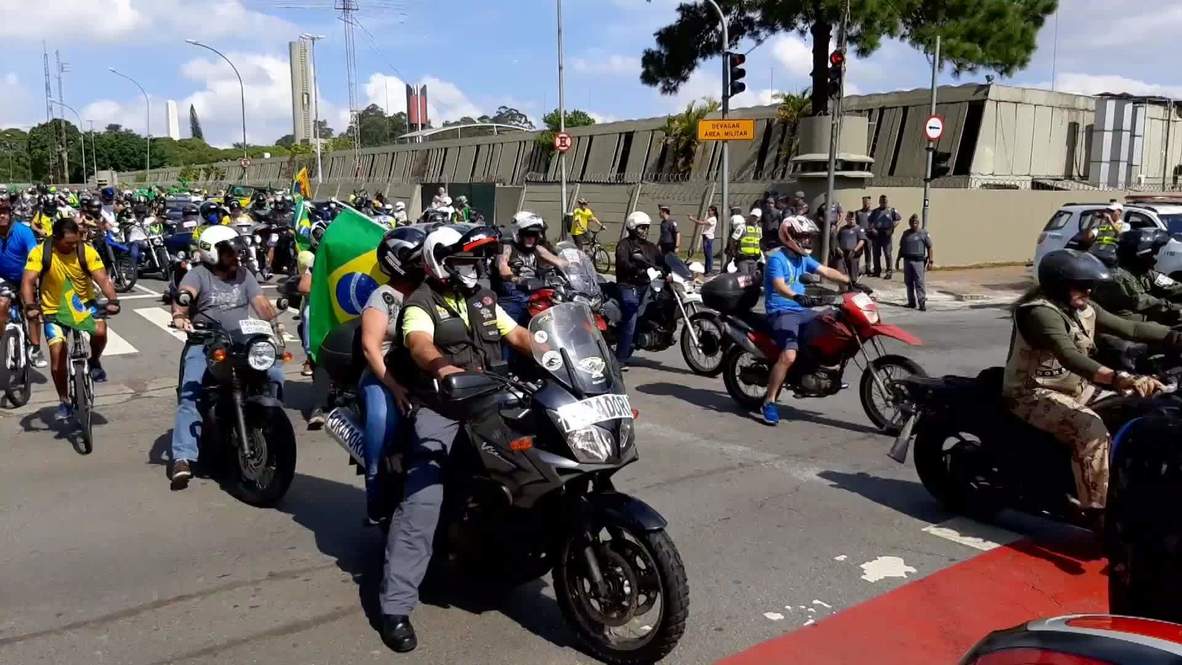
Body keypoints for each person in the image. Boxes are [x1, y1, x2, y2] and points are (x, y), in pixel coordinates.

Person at [382, 224, 535, 653]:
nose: (472, 268)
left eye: (474, 260)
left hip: (494, 403)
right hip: (443, 408)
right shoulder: (419, 304)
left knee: (538, 463)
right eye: (463, 261)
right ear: (438, 263)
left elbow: (517, 335)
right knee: (423, 501)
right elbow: (418, 344)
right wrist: (442, 368)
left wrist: (554, 350)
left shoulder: (484, 299)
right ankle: (395, 606)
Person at [1004, 249, 1178, 526]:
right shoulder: (1039, 312)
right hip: (1032, 392)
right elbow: (1069, 356)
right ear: (1060, 285)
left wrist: (1174, 337)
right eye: (1081, 285)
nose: (1088, 290)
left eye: (1090, 285)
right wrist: (1120, 378)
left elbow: (1130, 328)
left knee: (1139, 408)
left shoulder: (1084, 308)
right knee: (1091, 430)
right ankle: (1097, 511)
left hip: (1075, 388)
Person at [168, 225, 283, 490]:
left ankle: (270, 426)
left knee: (275, 372)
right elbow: (184, 296)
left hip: (241, 339)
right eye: (229, 252)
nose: (235, 256)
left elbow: (261, 303)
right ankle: (183, 457)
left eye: (236, 250)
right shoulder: (198, 275)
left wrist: (276, 328)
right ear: (211, 254)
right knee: (191, 391)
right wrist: (179, 316)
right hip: (205, 341)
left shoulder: (244, 275)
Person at [21, 219, 121, 421]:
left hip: (83, 305)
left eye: (76, 242)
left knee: (101, 332)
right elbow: (28, 281)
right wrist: (30, 306)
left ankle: (93, 362)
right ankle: (64, 400)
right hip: (54, 310)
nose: (73, 246)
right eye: (69, 243)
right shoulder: (41, 252)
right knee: (58, 360)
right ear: (56, 238)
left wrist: (113, 299)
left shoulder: (86, 251)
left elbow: (101, 278)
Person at [358, 227, 426, 523]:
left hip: (421, 373)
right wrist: (394, 387)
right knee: (382, 423)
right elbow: (370, 348)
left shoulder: (430, 292)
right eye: (415, 257)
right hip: (384, 375)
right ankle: (376, 496)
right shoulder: (383, 296)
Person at [761, 216, 853, 426]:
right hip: (781, 311)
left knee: (832, 325)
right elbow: (778, 285)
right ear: (789, 236)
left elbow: (826, 271)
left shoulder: (802, 258)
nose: (807, 241)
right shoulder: (777, 259)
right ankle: (769, 401)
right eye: (803, 237)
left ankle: (814, 372)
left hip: (803, 309)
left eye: (808, 237)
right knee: (789, 355)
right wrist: (795, 296)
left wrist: (850, 281)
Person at [1092, 228, 1182, 326]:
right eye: (1150, 255)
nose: (1154, 258)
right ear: (1138, 257)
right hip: (1125, 324)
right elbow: (1146, 302)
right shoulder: (1120, 278)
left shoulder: (1144, 272)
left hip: (1143, 316)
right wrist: (1176, 308)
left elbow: (1173, 286)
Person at [494, 212, 566, 324]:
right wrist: (518, 279)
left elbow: (556, 260)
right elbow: (503, 268)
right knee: (512, 325)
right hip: (512, 298)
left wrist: (575, 266)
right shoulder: (507, 247)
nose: (531, 239)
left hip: (533, 295)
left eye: (535, 235)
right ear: (518, 234)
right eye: (528, 234)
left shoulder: (537, 248)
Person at [0, 199, 45, 368]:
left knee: (32, 310)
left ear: (10, 212)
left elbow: (34, 255)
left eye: (4, 211)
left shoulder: (23, 231)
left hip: (26, 277)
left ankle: (35, 348)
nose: (1, 215)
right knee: (2, 304)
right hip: (3, 279)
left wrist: (36, 278)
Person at [615, 211, 662, 368]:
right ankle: (620, 359)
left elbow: (661, 260)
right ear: (632, 227)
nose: (645, 231)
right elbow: (624, 264)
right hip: (628, 286)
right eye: (642, 228)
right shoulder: (624, 245)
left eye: (647, 228)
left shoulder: (650, 247)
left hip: (646, 286)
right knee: (631, 318)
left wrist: (678, 267)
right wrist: (638, 269)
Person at [896, 214, 933, 310]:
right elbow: (901, 247)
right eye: (912, 222)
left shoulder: (923, 233)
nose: (914, 224)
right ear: (909, 223)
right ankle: (911, 302)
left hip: (918, 261)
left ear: (918, 223)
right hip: (907, 260)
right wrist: (897, 259)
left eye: (916, 222)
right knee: (908, 282)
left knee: (919, 282)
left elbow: (930, 247)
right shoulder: (906, 234)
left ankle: (921, 302)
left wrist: (931, 261)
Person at [869, 195, 901, 279]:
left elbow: (898, 220)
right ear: (879, 202)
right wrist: (872, 229)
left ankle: (889, 272)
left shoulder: (891, 210)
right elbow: (870, 222)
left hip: (886, 234)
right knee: (876, 254)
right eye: (882, 201)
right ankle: (877, 271)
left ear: (887, 202)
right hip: (877, 234)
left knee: (887, 253)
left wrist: (891, 228)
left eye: (885, 202)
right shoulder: (875, 211)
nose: (884, 203)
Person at [834, 210, 867, 287]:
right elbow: (836, 240)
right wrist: (838, 248)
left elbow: (862, 241)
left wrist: (855, 250)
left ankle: (852, 286)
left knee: (853, 272)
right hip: (842, 253)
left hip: (853, 254)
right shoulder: (842, 229)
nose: (851, 221)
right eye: (850, 219)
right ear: (846, 219)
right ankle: (842, 288)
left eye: (853, 219)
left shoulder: (859, 229)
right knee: (841, 271)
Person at [732, 208, 764, 276]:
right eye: (753, 216)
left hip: (754, 259)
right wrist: (734, 252)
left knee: (752, 279)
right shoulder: (742, 227)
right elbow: (733, 239)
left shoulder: (759, 229)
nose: (754, 218)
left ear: (759, 218)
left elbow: (759, 242)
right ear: (750, 216)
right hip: (743, 258)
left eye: (756, 217)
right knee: (743, 278)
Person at [689, 205, 719, 274]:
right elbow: (703, 221)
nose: (708, 212)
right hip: (706, 237)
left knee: (709, 255)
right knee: (706, 255)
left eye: (709, 211)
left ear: (713, 211)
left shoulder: (713, 219)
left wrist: (692, 219)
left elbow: (701, 223)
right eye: (708, 211)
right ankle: (707, 271)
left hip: (708, 237)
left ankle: (709, 271)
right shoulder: (710, 218)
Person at [855, 196, 874, 275]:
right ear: (863, 203)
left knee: (868, 252)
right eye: (865, 202)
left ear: (870, 203)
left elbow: (874, 223)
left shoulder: (873, 213)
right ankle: (856, 269)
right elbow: (856, 224)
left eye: (868, 202)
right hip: (860, 236)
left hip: (869, 236)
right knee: (858, 252)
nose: (866, 204)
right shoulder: (858, 212)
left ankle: (868, 269)